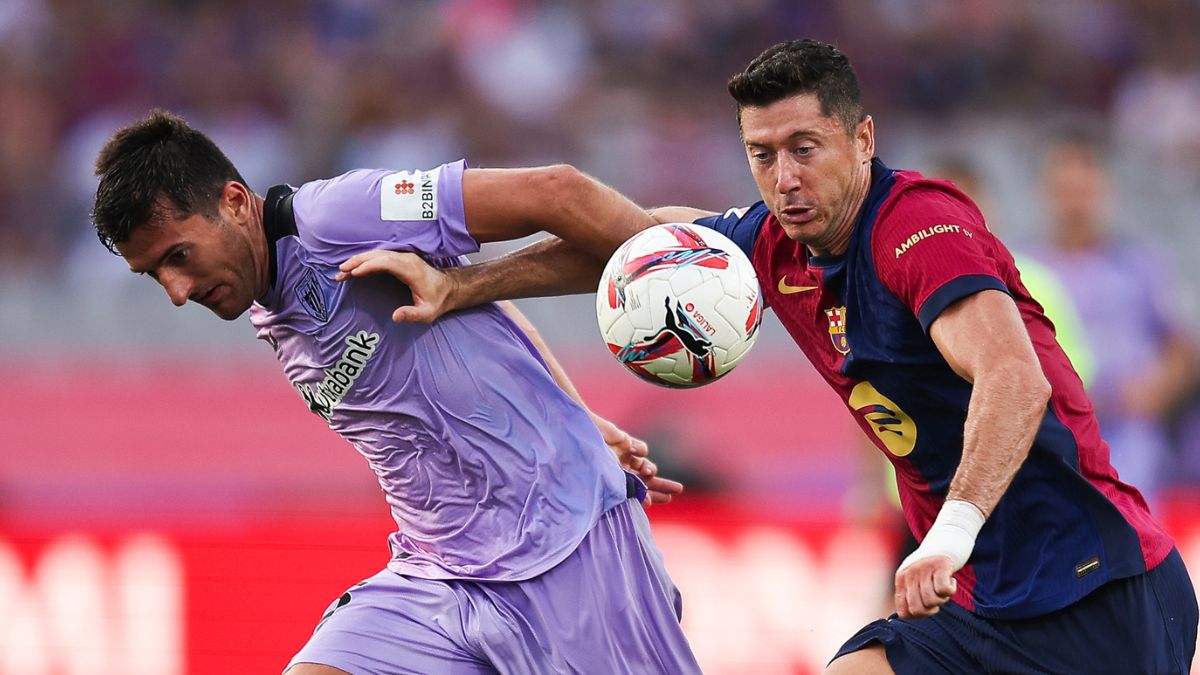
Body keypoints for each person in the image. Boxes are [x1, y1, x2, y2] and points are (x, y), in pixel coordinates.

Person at [357, 39, 1199, 674]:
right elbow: (630, 245)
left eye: (806, 147)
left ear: (863, 139)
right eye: (763, 155)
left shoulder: (919, 228)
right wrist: (461, 285)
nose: (784, 177)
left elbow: (1014, 380)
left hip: (1102, 590)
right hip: (988, 598)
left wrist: (949, 533)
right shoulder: (774, 248)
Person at [89, 110, 700, 675]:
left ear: (234, 203)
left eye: (179, 256)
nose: (174, 289)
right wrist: (579, 413)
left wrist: (683, 271)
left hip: (563, 546)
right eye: (154, 274)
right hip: (437, 576)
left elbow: (556, 192)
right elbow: (477, 311)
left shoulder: (338, 217)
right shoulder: (265, 307)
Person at [1025, 130, 1197, 508]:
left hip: (1128, 434)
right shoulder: (1023, 268)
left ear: (1105, 191)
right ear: (1046, 193)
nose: (1075, 203)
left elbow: (1180, 346)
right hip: (1052, 433)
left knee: (1134, 534)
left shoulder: (1139, 265)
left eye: (1084, 190)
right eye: (1065, 190)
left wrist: (1157, 389)